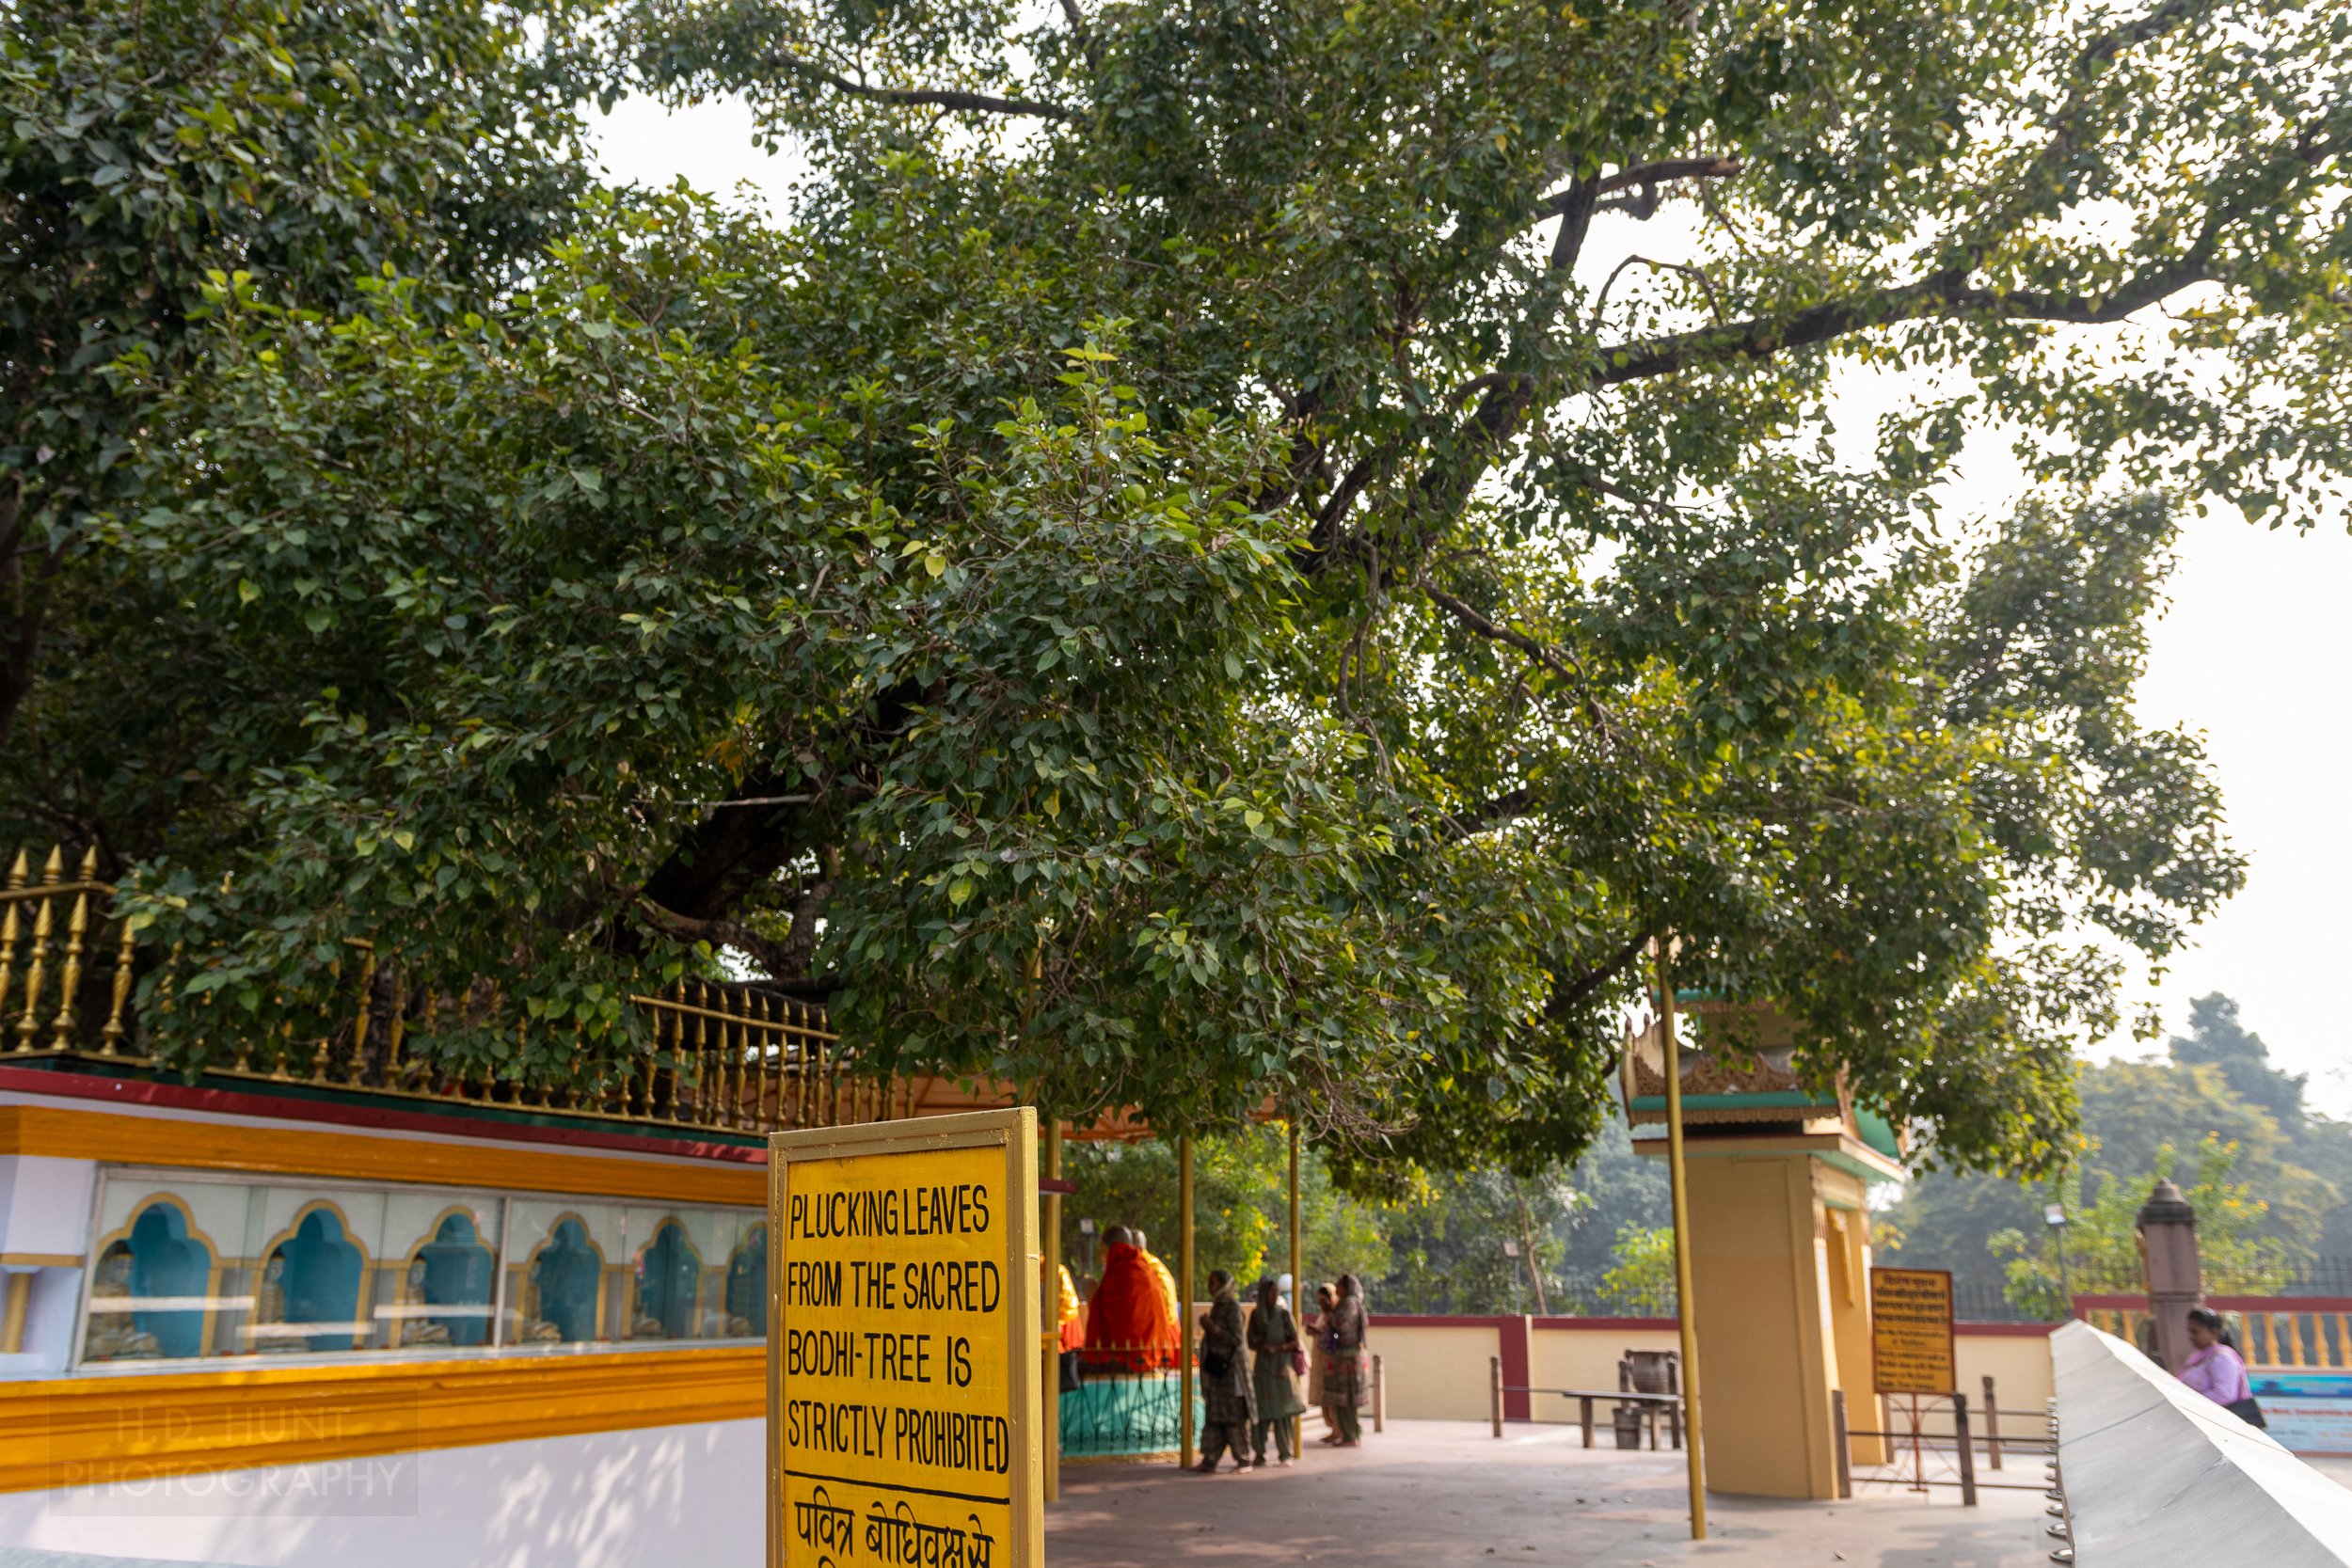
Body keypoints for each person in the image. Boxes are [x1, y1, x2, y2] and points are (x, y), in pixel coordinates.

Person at [1081, 1225, 1180, 1372]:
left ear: (1109, 1248)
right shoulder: (1144, 1267)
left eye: (1101, 1251)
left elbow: (1113, 1320)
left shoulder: (1123, 1270)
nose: (1101, 1257)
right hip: (1153, 1351)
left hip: (1132, 1357)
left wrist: (1093, 1295)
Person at [1193, 1269, 1257, 1472]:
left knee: (1234, 1417)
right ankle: (1210, 1458)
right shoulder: (1217, 1307)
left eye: (1213, 1283)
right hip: (1217, 1373)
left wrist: (1213, 1328)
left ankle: (1243, 1459)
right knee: (1214, 1416)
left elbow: (1236, 1340)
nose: (1210, 1288)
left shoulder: (1232, 1308)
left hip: (1231, 1372)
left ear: (1223, 1285)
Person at [1248, 1275, 1306, 1466]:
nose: (1274, 1295)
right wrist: (1263, 1346)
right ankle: (1260, 1452)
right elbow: (1250, 1341)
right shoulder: (1256, 1316)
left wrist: (1278, 1348)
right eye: (1271, 1292)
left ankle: (1285, 1454)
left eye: (1276, 1292)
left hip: (1281, 1367)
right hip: (1263, 1368)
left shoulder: (1283, 1315)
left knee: (1282, 1414)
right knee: (1262, 1413)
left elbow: (1295, 1341)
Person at [2180, 1306, 2264, 1426]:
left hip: (2221, 1424)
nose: (2191, 1337)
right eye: (2189, 1331)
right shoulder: (2199, 1356)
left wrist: (2191, 1402)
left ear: (2214, 1333)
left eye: (2196, 1332)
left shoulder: (2222, 1358)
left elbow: (2224, 1395)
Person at [1318, 1273, 1369, 1447]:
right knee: (1344, 1400)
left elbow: (1341, 1325)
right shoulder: (1348, 1303)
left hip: (1348, 1358)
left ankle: (1351, 1434)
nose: (1337, 1287)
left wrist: (1329, 1313)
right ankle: (1348, 1433)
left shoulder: (1349, 1304)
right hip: (1344, 1357)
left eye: (1339, 1285)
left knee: (1347, 1400)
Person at [1308, 1281, 1340, 1436]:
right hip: (1320, 1360)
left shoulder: (1336, 1316)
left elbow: (1335, 1335)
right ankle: (1332, 1428)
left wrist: (1319, 1331)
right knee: (1323, 1396)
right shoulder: (1323, 1315)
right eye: (1319, 1301)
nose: (1322, 1304)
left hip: (1331, 1361)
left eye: (1324, 1300)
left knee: (1331, 1396)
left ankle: (1338, 1428)